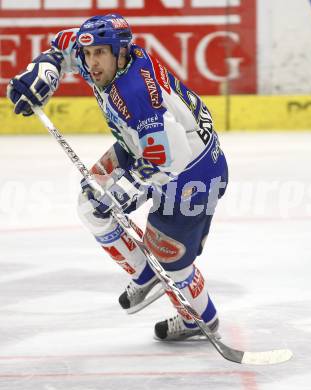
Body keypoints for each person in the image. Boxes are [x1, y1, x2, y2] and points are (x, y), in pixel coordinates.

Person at [7, 13, 228, 341]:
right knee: (89, 203)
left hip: (192, 171)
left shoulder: (137, 92)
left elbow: (168, 158)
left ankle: (200, 319)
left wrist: (121, 191)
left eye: (100, 53)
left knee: (172, 260)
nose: (91, 63)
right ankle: (144, 271)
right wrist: (46, 67)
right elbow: (64, 45)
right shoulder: (99, 58)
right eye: (89, 53)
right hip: (142, 147)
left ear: (120, 51)